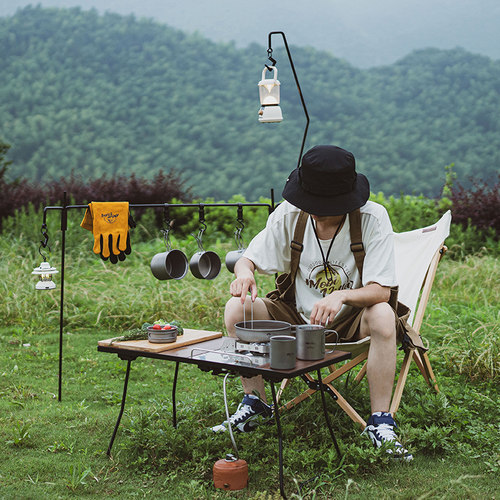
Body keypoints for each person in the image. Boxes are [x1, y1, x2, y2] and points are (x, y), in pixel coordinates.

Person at [212, 145, 412, 460]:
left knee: (384, 315)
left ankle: (380, 421)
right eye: (312, 201)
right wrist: (245, 274)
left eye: (326, 203)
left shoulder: (373, 219)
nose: (316, 208)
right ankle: (256, 403)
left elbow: (381, 291)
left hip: (350, 323)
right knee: (237, 308)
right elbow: (246, 259)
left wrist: (342, 295)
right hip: (293, 319)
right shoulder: (290, 215)